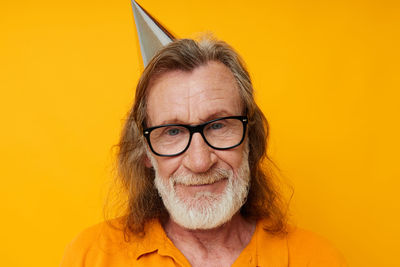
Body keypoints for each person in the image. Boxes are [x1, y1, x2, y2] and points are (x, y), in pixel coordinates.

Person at [61, 37, 347, 266]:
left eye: (219, 126)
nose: (199, 162)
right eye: (173, 131)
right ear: (146, 152)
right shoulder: (91, 257)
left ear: (250, 137)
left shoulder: (317, 259)